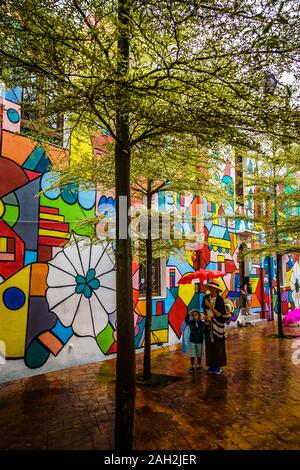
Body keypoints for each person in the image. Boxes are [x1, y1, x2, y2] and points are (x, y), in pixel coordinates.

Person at [202, 280, 227, 375]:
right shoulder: (205, 298)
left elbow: (220, 314)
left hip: (217, 326)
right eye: (210, 288)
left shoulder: (220, 300)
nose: (212, 290)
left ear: (217, 290)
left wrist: (210, 306)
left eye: (214, 288)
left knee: (217, 345)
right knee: (209, 345)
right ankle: (211, 365)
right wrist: (205, 316)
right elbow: (204, 310)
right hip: (208, 324)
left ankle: (217, 366)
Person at [184, 309, 205, 374]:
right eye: (193, 315)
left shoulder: (202, 323)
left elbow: (205, 330)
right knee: (192, 354)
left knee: (199, 354)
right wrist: (188, 314)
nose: (194, 317)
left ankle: (199, 365)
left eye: (196, 315)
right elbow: (186, 320)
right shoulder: (190, 322)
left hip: (200, 341)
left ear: (198, 315)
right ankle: (192, 366)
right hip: (192, 340)